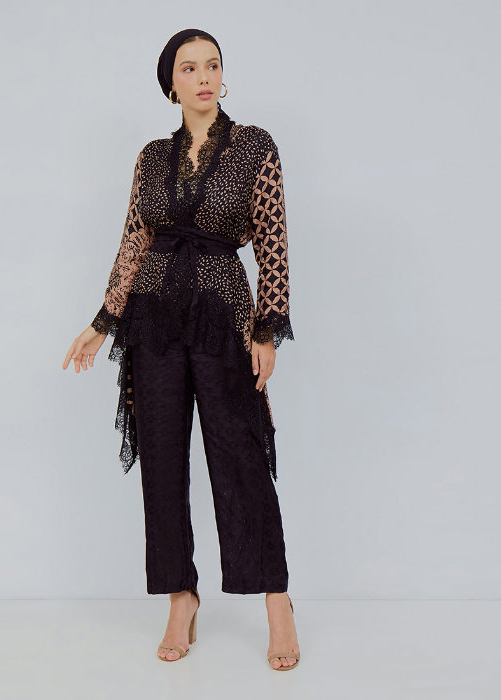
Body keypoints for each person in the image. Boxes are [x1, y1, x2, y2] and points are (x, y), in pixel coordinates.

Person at [63, 28, 300, 670]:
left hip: (223, 317)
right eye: (189, 67)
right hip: (154, 321)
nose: (203, 77)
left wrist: (267, 328)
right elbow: (134, 241)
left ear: (223, 76)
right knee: (163, 461)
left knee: (239, 457)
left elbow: (273, 239)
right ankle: (180, 597)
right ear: (171, 82)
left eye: (212, 65)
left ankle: (276, 600)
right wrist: (103, 321)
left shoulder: (254, 146)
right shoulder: (151, 157)